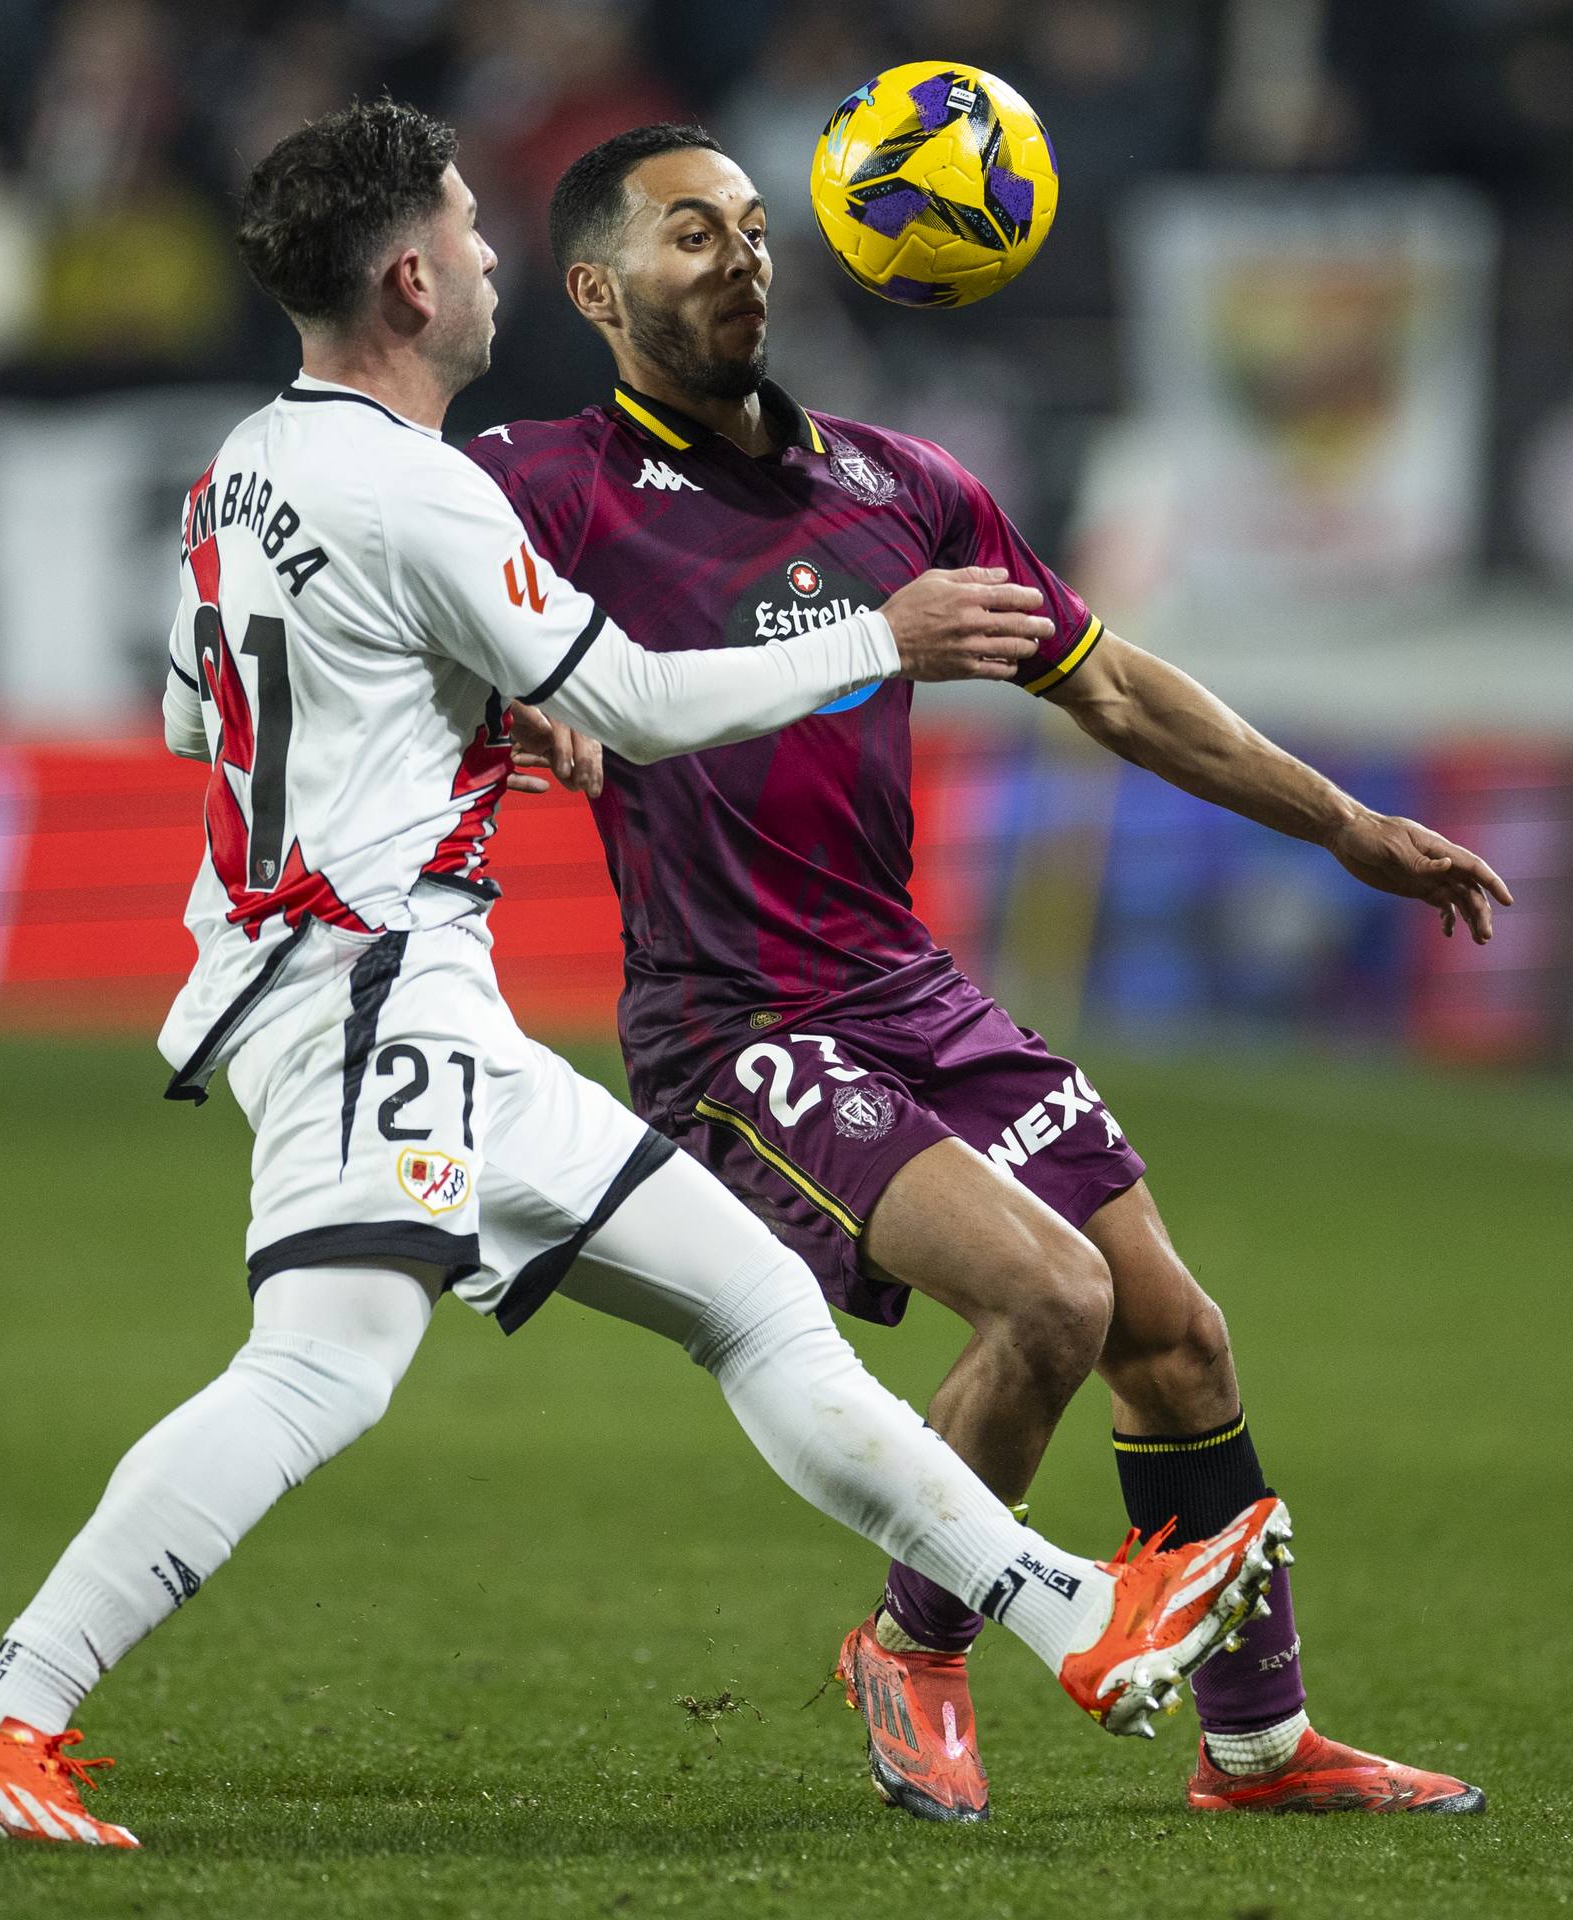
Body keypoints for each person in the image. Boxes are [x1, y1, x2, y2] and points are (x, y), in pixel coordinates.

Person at [0, 100, 1285, 1850]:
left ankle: (1073, 1613)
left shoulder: (249, 461)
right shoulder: (412, 486)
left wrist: (459, 701)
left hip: (406, 997)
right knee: (323, 1368)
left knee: (752, 1305)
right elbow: (629, 702)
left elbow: (187, 706)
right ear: (410, 277)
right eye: (467, 235)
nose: (488, 261)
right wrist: (882, 638)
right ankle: (3, 1710)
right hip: (366, 986)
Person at [469, 124, 1508, 1822]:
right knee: (1050, 1297)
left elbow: (1109, 688)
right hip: (737, 1017)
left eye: (749, 226)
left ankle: (1255, 1748)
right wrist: (510, 711)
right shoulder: (547, 485)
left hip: (907, 986)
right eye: (688, 235)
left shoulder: (902, 488)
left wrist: (1338, 823)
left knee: (1175, 1337)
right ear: (594, 288)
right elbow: (404, 623)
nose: (740, 256)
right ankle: (915, 1644)